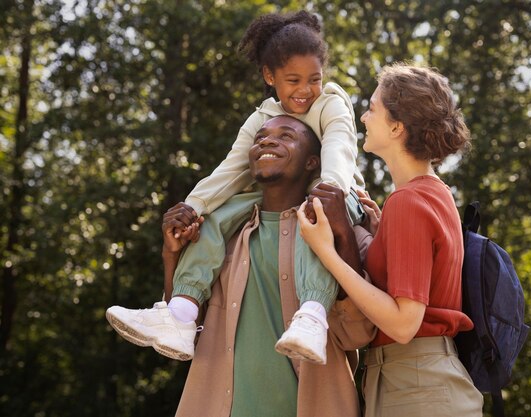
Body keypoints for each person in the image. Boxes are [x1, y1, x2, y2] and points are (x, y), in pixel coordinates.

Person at [106, 10, 365, 364]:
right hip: (273, 196)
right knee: (216, 217)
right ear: (269, 76)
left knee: (312, 216)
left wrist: (331, 188)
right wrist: (194, 208)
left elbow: (339, 145)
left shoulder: (331, 102)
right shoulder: (262, 117)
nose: (306, 90)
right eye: (293, 80)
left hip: (337, 192)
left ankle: (313, 314)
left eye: (314, 79)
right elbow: (231, 170)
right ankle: (180, 314)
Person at [297, 62, 485, 416]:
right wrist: (383, 233)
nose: (364, 118)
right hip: (419, 379)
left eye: (371, 109)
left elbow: (403, 324)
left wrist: (326, 252)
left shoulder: (409, 202)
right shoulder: (435, 193)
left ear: (397, 127)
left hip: (415, 382)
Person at [169, 115, 374, 417]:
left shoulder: (344, 233)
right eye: (260, 137)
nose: (266, 140)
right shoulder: (223, 235)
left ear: (312, 163)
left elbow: (356, 335)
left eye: (287, 135)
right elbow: (182, 333)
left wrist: (342, 231)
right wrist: (170, 253)